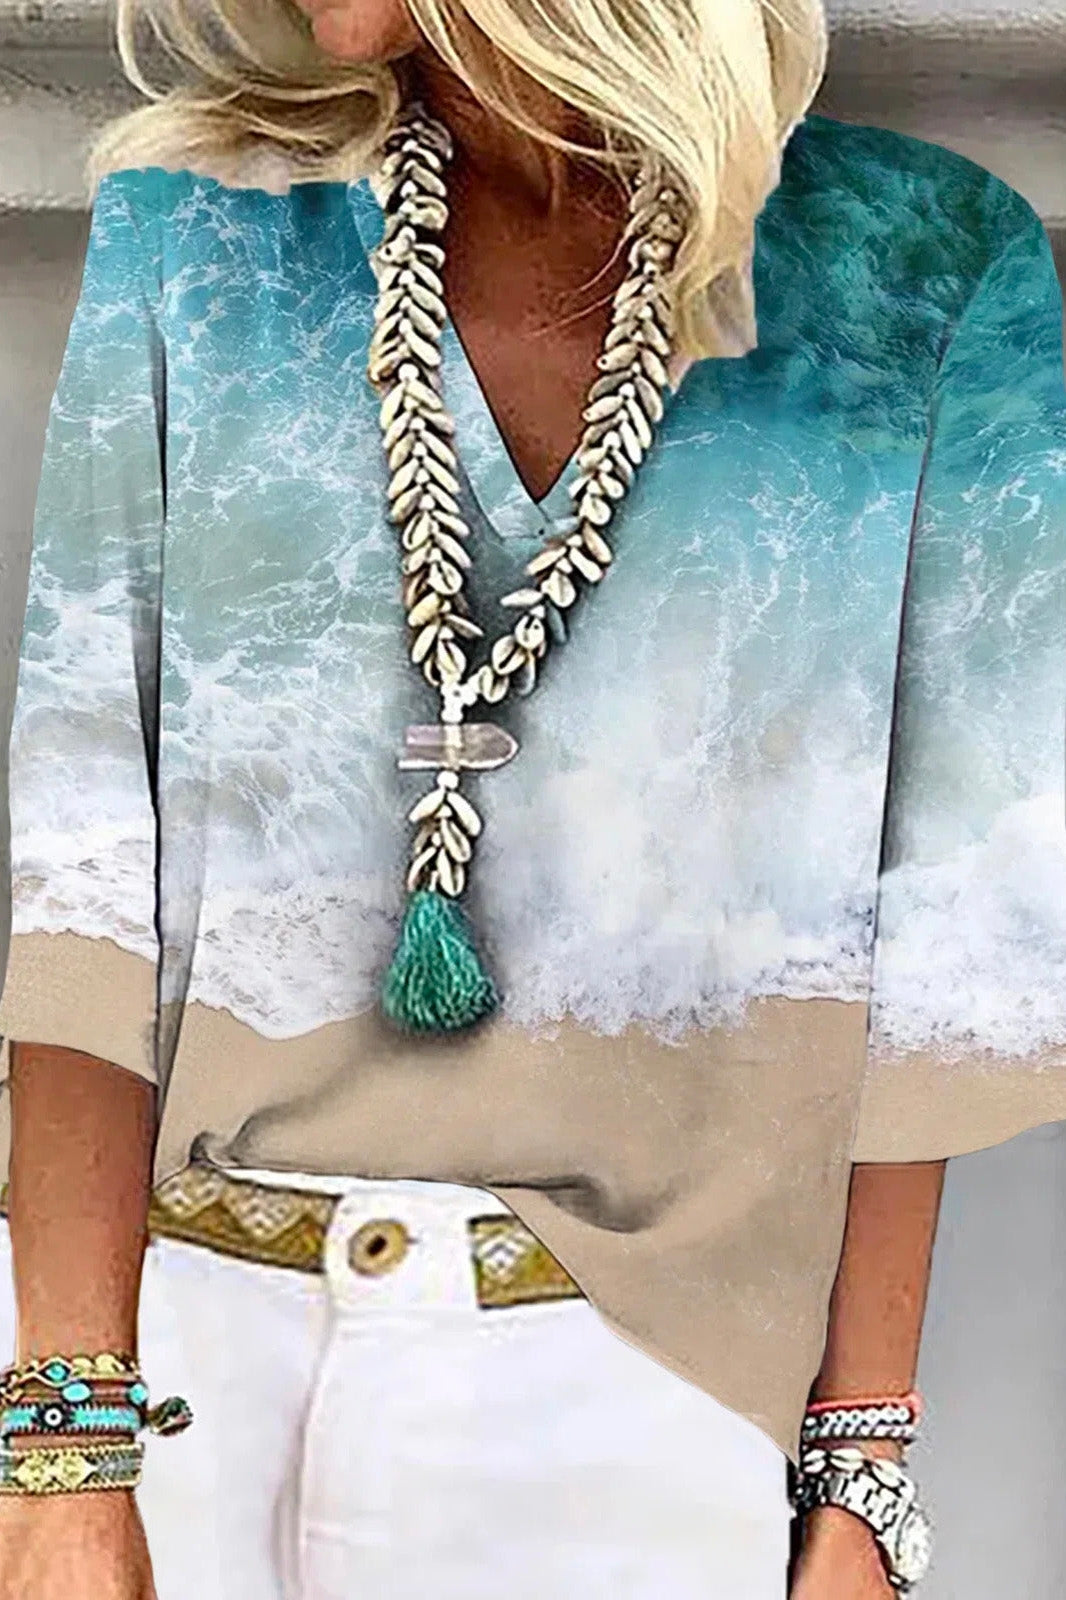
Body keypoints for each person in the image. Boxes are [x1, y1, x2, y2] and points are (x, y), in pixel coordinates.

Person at [0, 0, 1062, 1594]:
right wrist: (60, 1457)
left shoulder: (921, 272)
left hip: (638, 1405)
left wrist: (859, 1474)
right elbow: (85, 879)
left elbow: (940, 961)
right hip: (173, 1373)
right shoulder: (205, 237)